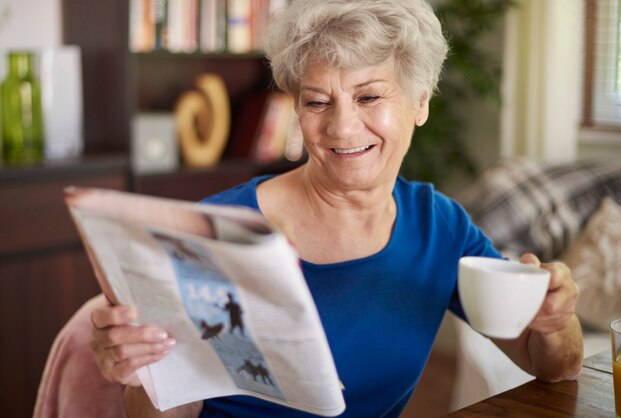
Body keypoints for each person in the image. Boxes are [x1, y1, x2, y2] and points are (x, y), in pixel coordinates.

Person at [89, 0, 584, 417]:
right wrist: (139, 376)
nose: (342, 129)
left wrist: (556, 322)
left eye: (369, 96)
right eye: (317, 102)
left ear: (420, 102)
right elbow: (170, 409)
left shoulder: (442, 228)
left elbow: (553, 366)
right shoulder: (214, 231)